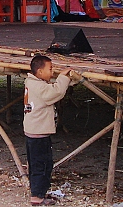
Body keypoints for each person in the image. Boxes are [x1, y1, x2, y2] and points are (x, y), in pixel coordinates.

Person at [23, 54, 75, 206]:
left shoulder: (32, 82)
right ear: (40, 72)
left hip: (33, 131)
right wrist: (63, 77)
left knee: (36, 164)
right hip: (38, 133)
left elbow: (50, 88)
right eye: (50, 69)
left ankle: (38, 192)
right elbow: (56, 92)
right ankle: (37, 197)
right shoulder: (39, 87)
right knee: (42, 165)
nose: (52, 72)